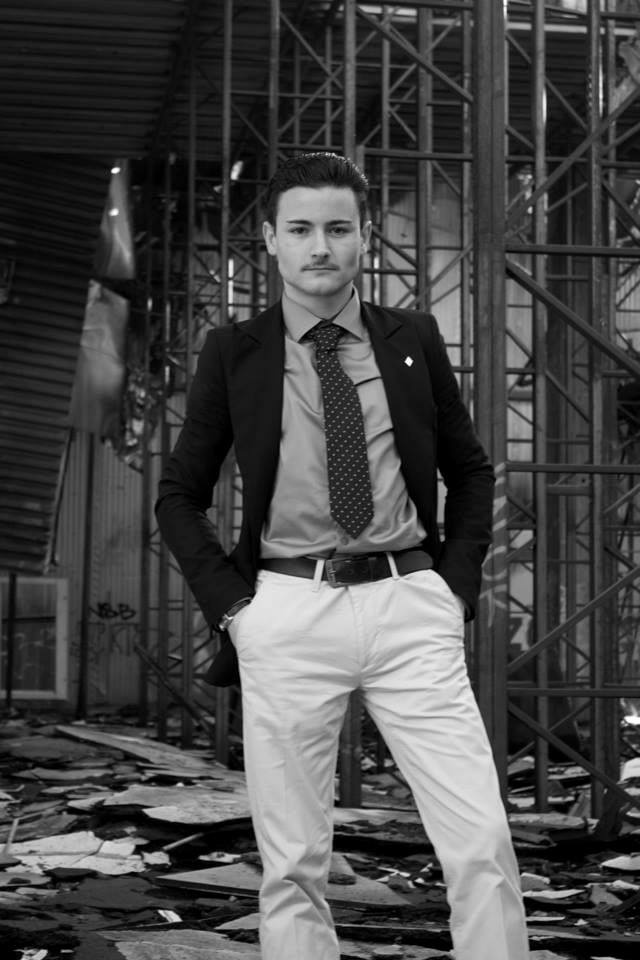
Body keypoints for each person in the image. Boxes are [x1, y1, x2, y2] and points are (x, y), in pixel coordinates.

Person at [156, 151, 530, 960]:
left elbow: (469, 470)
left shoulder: (412, 338)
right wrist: (236, 609)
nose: (319, 247)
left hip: (408, 605)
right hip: (288, 611)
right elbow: (178, 494)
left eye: (337, 228)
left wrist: (452, 588)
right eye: (300, 229)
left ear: (363, 237)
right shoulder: (235, 351)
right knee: (293, 862)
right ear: (270, 240)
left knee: (479, 838)